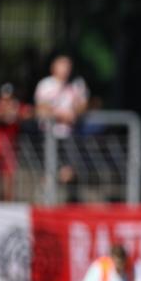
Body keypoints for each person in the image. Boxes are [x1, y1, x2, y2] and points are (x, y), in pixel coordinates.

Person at [34, 54, 87, 201]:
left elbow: (83, 106)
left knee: (69, 172)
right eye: (63, 66)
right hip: (49, 134)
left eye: (68, 66)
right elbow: (40, 108)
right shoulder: (45, 85)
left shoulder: (76, 84)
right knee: (48, 171)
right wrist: (60, 115)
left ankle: (63, 200)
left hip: (69, 135)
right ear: (54, 68)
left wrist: (75, 110)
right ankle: (45, 199)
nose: (66, 70)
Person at [0, 83, 22, 201]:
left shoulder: (17, 107)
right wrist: (3, 115)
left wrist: (7, 115)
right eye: (3, 98)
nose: (6, 102)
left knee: (9, 176)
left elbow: (21, 114)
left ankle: (8, 204)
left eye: (8, 98)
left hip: (9, 147)